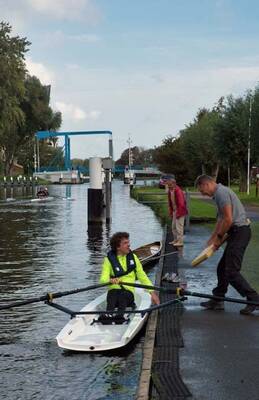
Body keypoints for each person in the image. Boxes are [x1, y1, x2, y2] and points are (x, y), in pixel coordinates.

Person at [195, 174, 259, 315]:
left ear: (206, 184)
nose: (202, 194)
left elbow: (229, 219)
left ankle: (254, 299)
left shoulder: (221, 193)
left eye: (201, 190)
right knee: (222, 268)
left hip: (240, 232)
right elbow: (221, 220)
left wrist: (218, 239)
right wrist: (212, 238)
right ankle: (218, 299)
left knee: (231, 271)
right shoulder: (219, 193)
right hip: (235, 233)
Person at [100, 232, 160, 318]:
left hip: (128, 293)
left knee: (122, 295)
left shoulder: (133, 258)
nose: (129, 245)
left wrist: (152, 293)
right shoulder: (108, 260)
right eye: (125, 243)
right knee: (112, 294)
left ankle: (118, 316)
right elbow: (103, 279)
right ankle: (109, 314)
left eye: (128, 242)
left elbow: (142, 276)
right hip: (114, 292)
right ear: (118, 247)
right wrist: (110, 280)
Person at [167, 176, 188, 246]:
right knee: (173, 227)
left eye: (170, 185)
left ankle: (180, 242)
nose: (168, 186)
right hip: (174, 211)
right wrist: (171, 211)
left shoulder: (178, 191)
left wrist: (178, 213)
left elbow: (181, 204)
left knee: (179, 227)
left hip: (180, 211)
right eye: (168, 185)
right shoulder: (170, 191)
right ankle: (175, 240)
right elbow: (170, 203)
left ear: (174, 184)